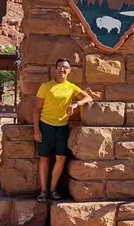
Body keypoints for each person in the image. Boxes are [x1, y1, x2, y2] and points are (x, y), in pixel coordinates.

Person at [33, 58, 92, 202]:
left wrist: (76, 104)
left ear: (69, 70)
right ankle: (43, 191)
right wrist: (36, 130)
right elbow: (36, 109)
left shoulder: (71, 87)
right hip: (45, 125)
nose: (62, 69)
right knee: (44, 158)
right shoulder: (46, 86)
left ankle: (53, 190)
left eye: (65, 67)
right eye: (59, 66)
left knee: (61, 158)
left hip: (62, 127)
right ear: (55, 69)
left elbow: (88, 97)